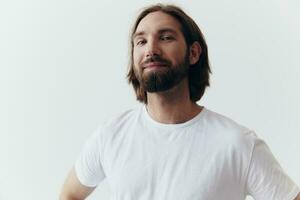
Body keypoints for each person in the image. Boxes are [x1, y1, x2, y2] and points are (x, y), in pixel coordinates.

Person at [60, 4, 300, 200]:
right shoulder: (110, 136)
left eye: (165, 37)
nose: (151, 49)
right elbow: (70, 194)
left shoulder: (237, 144)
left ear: (194, 53)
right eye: (141, 41)